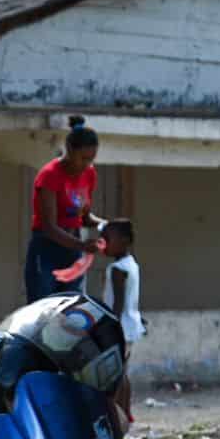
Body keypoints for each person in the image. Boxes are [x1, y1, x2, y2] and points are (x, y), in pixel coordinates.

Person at [25, 116, 104, 302]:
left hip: (73, 250)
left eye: (91, 159)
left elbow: (84, 217)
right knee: (42, 309)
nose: (86, 164)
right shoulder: (50, 175)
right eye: (83, 158)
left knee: (70, 309)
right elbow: (49, 227)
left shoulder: (89, 174)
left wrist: (107, 225)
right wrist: (83, 245)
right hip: (47, 250)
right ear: (69, 150)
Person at [101, 219, 143, 422]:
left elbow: (117, 304)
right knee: (122, 372)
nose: (103, 242)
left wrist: (110, 328)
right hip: (130, 325)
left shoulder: (118, 268)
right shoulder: (131, 264)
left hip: (121, 327)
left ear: (125, 240)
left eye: (108, 239)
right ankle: (125, 412)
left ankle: (118, 414)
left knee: (116, 376)